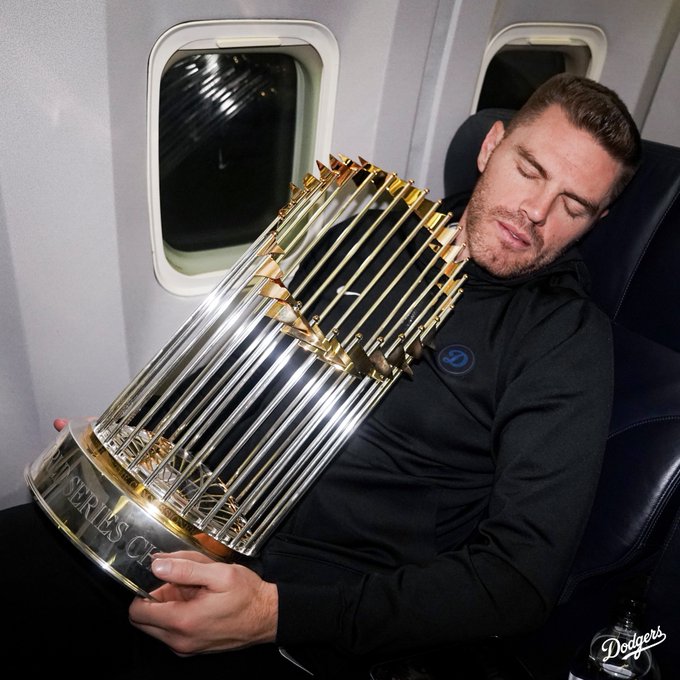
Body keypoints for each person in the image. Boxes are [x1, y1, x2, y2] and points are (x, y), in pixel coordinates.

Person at [0, 74, 640, 679]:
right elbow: (242, 360)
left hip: (308, 615)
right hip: (196, 531)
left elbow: (518, 581)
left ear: (596, 222)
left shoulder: (565, 341)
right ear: (492, 146)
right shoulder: (380, 232)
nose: (533, 210)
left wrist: (272, 615)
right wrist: (128, 439)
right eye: (529, 169)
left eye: (573, 205)